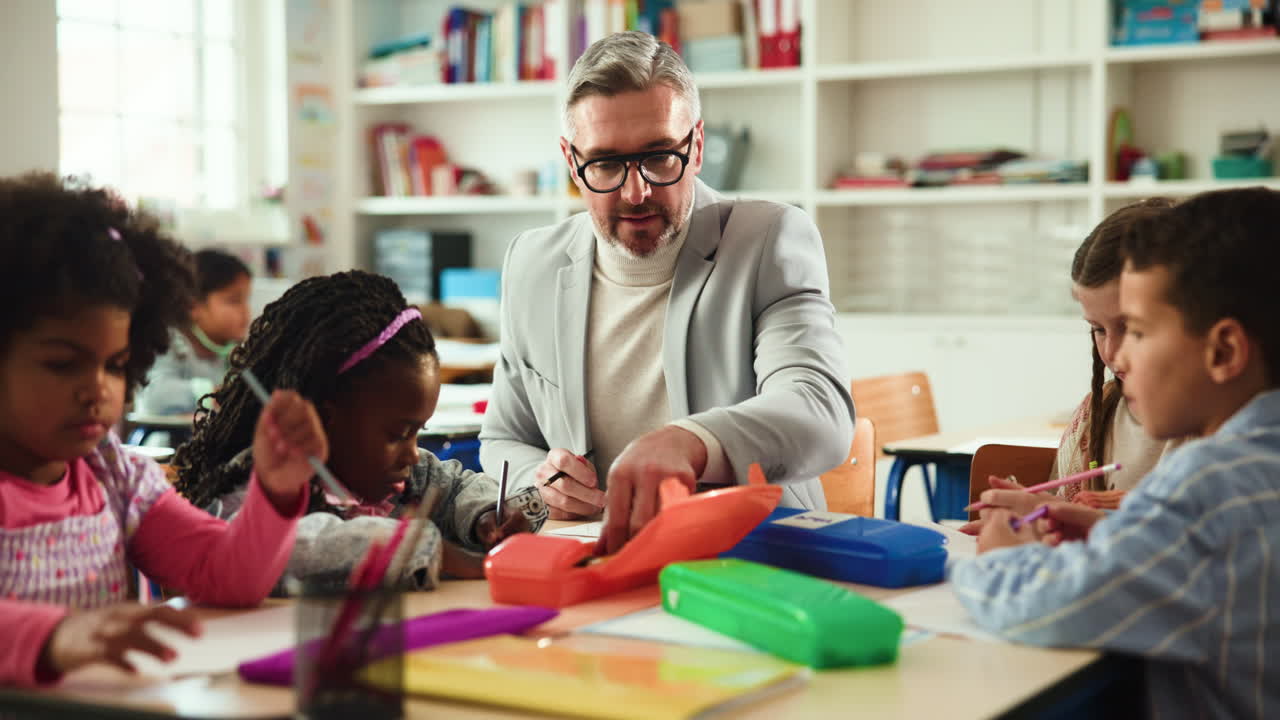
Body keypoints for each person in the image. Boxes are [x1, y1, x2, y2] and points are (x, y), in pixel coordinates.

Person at [478, 31, 854, 553]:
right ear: (571, 162)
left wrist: (694, 442)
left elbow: (821, 412)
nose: (637, 193)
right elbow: (502, 438)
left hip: (750, 558)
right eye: (606, 164)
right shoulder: (532, 262)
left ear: (696, 146)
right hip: (598, 563)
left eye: (658, 157)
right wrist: (539, 483)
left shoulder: (768, 240)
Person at [952, 187, 1280, 718]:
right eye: (1105, 331)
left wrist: (1006, 558)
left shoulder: (1211, 483)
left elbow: (1040, 608)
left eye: (1140, 331)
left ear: (1224, 351)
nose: (1116, 356)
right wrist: (1118, 537)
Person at [0, 173, 321, 686]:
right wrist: (56, 635)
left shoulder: (114, 476)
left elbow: (226, 577)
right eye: (63, 364)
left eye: (115, 364)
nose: (98, 389)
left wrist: (276, 493)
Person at [173, 271, 547, 591]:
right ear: (325, 416)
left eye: (417, 432)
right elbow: (284, 550)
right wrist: (427, 548)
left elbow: (455, 486)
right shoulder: (260, 487)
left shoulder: (403, 477)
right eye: (398, 434)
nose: (413, 453)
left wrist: (485, 515)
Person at [961, 199, 1187, 533]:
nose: (1111, 352)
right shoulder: (1098, 412)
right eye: (1098, 329)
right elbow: (1061, 528)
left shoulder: (1223, 428)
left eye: (1131, 326)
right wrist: (1033, 523)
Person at [134, 249, 253, 416]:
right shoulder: (168, 343)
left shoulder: (236, 354)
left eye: (246, 300)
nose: (246, 311)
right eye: (234, 301)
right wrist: (213, 393)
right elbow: (154, 396)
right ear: (193, 306)